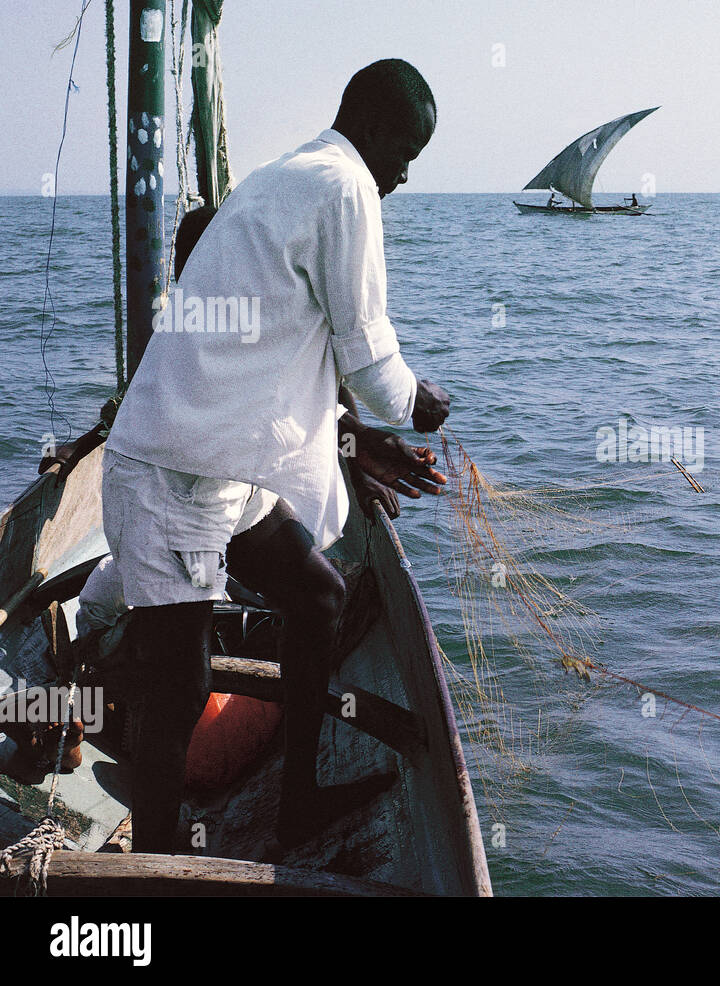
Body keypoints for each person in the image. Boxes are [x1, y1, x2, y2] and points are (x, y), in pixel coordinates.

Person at [101, 58, 450, 851]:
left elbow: (291, 353)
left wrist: (361, 442)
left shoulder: (287, 175)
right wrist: (415, 405)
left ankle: (296, 804)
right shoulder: (346, 185)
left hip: (219, 469)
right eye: (404, 151)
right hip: (172, 476)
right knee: (179, 689)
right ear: (370, 126)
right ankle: (158, 860)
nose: (400, 175)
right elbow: (367, 357)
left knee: (319, 596)